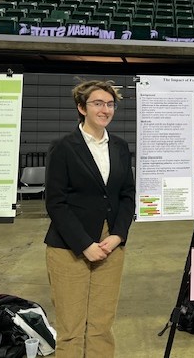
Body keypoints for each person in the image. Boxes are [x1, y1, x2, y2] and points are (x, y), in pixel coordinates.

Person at [44, 79, 135, 358]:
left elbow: (127, 195)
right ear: (82, 107)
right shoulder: (64, 146)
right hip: (70, 247)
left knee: (101, 327)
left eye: (110, 104)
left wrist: (118, 235)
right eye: (98, 103)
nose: (105, 109)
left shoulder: (119, 146)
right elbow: (56, 202)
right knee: (71, 330)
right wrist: (84, 244)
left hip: (111, 244)